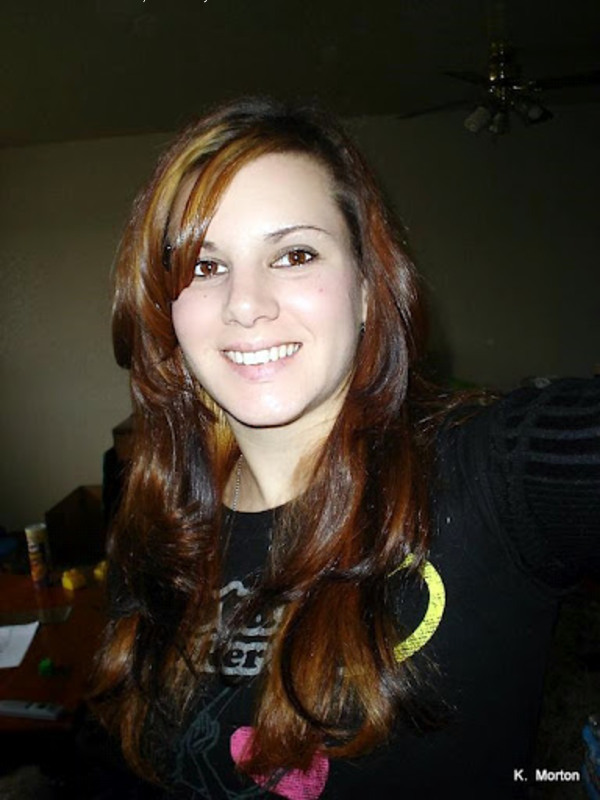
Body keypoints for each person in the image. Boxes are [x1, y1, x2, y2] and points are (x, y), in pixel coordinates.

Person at [91, 97, 600, 799]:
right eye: (205, 267)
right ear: (164, 308)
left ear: (366, 288)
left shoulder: (490, 472)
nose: (246, 304)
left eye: (295, 255)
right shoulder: (155, 527)